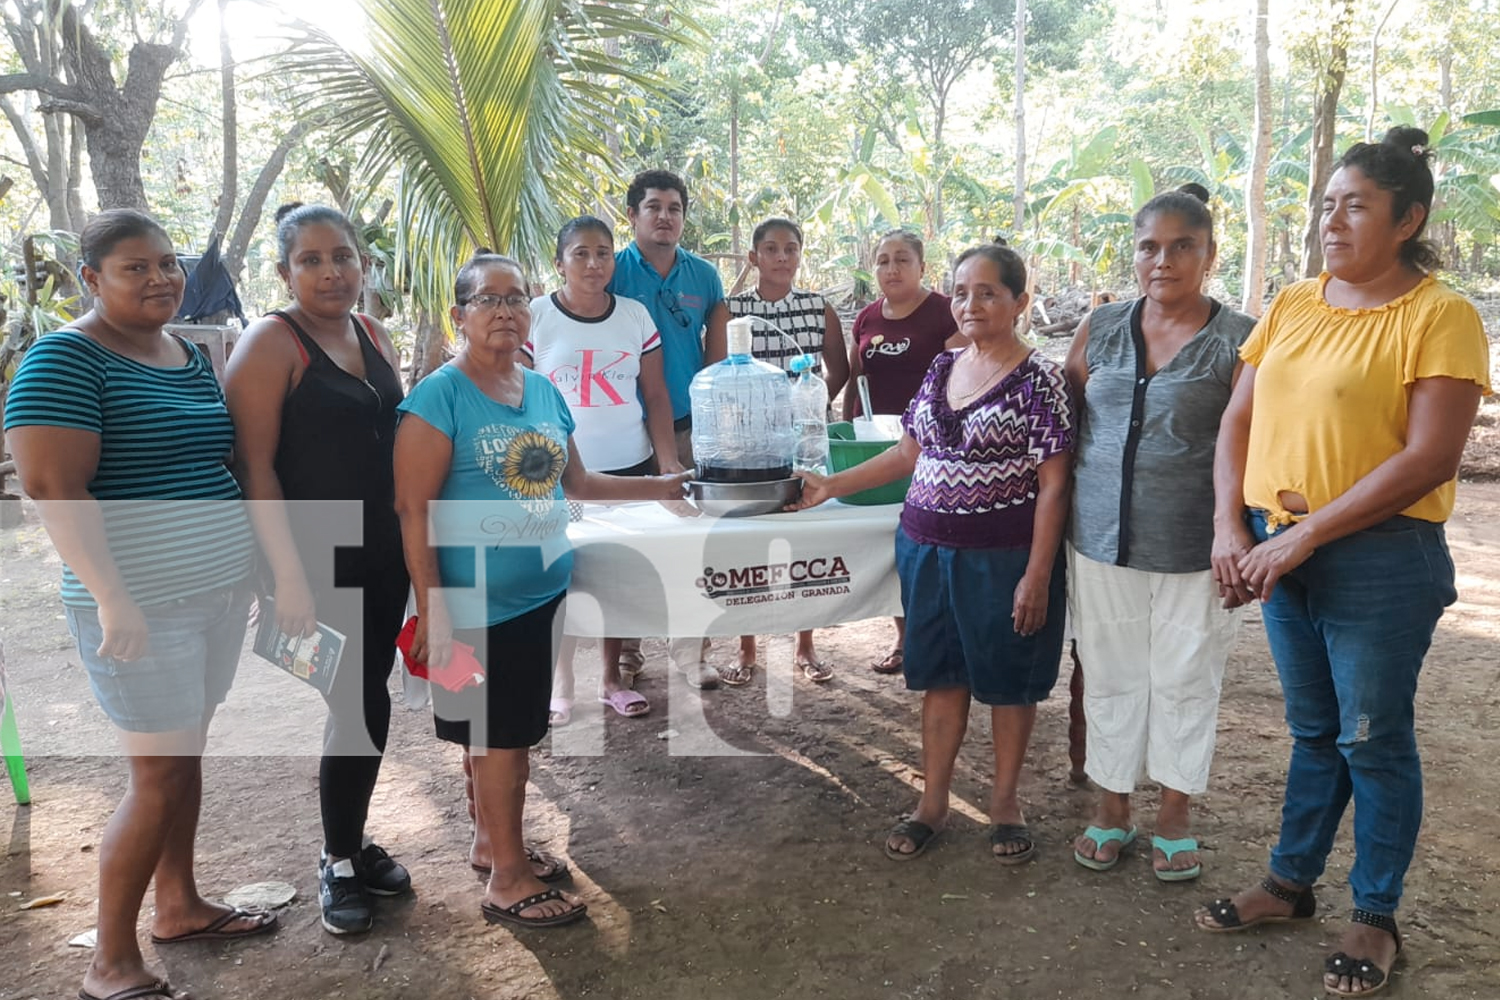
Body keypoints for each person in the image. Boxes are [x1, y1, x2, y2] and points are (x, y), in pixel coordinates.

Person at [1195, 127, 1489, 999]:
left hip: (1379, 559)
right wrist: (1229, 528)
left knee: (1375, 736)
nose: (1333, 220)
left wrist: (1307, 533)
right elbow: (1237, 425)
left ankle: (1375, 913)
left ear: (1409, 219)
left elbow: (1431, 458)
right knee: (1314, 730)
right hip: (1281, 549)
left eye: (1356, 204)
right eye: (1327, 204)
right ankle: (1290, 884)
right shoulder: (1293, 304)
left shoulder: (1442, 315)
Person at [4, 210, 276, 1000]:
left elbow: (212, 465)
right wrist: (113, 599)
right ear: (91, 279)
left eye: (167, 263)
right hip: (141, 608)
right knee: (156, 774)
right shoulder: (64, 361)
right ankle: (109, 962)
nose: (160, 278)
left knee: (183, 762)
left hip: (215, 595)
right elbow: (56, 490)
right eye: (135, 267)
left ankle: (181, 906)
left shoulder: (186, 356)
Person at [393, 251, 690, 929]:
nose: (504, 311)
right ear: (458, 315)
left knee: (499, 734)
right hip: (473, 603)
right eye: (487, 300)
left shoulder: (541, 389)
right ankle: (508, 880)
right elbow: (413, 510)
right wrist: (434, 608)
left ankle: (490, 842)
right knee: (502, 738)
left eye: (516, 298)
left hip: (539, 595)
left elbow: (577, 486)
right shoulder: (440, 396)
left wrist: (662, 485)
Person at [796, 244, 1073, 864]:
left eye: (989, 292)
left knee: (1007, 684)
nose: (971, 304)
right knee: (941, 679)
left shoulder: (1041, 379)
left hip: (1002, 557)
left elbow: (1055, 483)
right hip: (927, 550)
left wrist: (1037, 573)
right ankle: (934, 803)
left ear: (1019, 302)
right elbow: (906, 455)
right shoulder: (942, 369)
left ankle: (1005, 805)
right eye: (962, 291)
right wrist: (833, 486)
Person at [223, 203, 412, 936]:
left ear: (363, 264)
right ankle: (338, 857)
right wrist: (288, 578)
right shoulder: (271, 343)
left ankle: (354, 840)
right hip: (309, 560)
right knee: (354, 702)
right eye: (312, 260)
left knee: (366, 698)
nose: (332, 271)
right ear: (284, 271)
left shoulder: (372, 332)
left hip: (382, 552)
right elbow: (255, 468)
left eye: (344, 256)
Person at [1064, 184, 1254, 881]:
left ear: (1209, 254)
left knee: (1186, 677)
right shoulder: (1103, 326)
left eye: (1182, 247)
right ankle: (1113, 808)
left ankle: (1176, 814)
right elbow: (1071, 416)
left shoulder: (1240, 339)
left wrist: (1236, 530)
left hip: (1195, 547)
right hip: (1099, 539)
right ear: (1134, 252)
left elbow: (1254, 442)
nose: (1163, 260)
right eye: (1149, 246)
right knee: (1110, 674)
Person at [522, 215, 684, 721]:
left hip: (630, 467)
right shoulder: (536, 316)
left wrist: (667, 465)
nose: (594, 264)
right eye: (581, 254)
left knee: (617, 573)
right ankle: (561, 678)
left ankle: (612, 676)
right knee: (564, 575)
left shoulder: (634, 315)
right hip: (559, 476)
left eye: (603, 253)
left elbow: (655, 396)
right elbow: (523, 398)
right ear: (560, 262)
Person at [606, 168, 727, 688]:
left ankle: (691, 651)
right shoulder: (610, 271)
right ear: (632, 215)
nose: (665, 217)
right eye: (653, 207)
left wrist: (716, 425)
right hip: (622, 432)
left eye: (674, 208)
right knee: (627, 543)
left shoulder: (704, 276)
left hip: (687, 429)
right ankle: (626, 654)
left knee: (694, 541)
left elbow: (719, 358)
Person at [717, 217, 850, 685]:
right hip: (747, 447)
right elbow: (717, 374)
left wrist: (810, 402)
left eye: (790, 249)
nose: (781, 257)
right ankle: (747, 648)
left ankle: (805, 644)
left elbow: (840, 368)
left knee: (802, 540)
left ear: (800, 256)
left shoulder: (818, 308)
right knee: (748, 547)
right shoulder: (730, 310)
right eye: (770, 249)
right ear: (753, 257)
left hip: (802, 446)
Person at [842, 229, 964, 675]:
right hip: (877, 448)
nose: (891, 269)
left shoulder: (946, 313)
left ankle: (936, 636)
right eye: (882, 261)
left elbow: (963, 382)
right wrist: (848, 428)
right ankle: (902, 637)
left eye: (902, 260)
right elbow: (858, 381)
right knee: (887, 543)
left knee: (924, 546)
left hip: (932, 453)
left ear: (922, 267)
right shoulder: (867, 317)